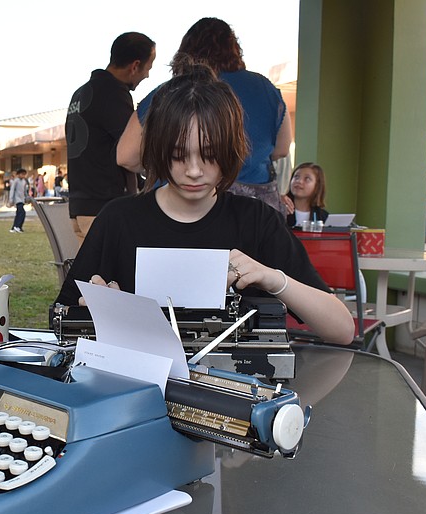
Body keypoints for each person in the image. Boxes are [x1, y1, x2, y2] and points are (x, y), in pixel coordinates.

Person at [56, 64, 355, 346]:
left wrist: (273, 278)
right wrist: (98, 311)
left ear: (230, 149)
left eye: (209, 154)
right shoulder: (119, 219)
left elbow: (342, 330)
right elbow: (59, 319)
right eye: (177, 155)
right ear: (158, 150)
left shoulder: (256, 221)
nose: (194, 170)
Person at [117, 17, 292, 217]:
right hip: (252, 208)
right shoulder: (265, 88)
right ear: (234, 48)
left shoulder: (172, 92)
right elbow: (282, 148)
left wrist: (172, 162)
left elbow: (126, 157)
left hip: (182, 213)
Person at [65, 31, 156, 243]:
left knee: (92, 275)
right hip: (104, 208)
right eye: (148, 67)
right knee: (115, 275)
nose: (147, 75)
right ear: (135, 66)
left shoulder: (82, 92)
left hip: (80, 207)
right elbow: (130, 151)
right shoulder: (113, 93)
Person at [284, 162, 329, 228]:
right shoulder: (279, 210)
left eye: (307, 179)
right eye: (296, 177)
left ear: (317, 186)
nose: (299, 181)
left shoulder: (324, 217)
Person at [8, 168, 28, 233]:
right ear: (18, 174)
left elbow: (25, 191)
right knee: (22, 212)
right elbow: (12, 190)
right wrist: (11, 199)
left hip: (22, 199)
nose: (23, 176)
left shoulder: (24, 181)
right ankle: (17, 226)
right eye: (22, 174)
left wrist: (26, 197)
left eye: (24, 174)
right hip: (17, 199)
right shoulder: (16, 181)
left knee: (19, 213)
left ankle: (15, 227)